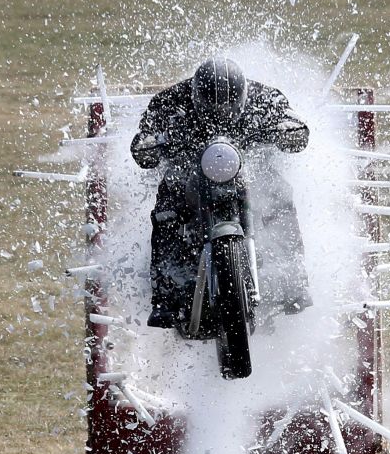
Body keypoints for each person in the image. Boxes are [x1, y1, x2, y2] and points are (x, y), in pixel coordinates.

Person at [130, 56, 312, 328]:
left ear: (242, 95)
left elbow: (290, 119)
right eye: (213, 105)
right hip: (189, 172)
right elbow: (146, 135)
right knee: (166, 209)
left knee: (280, 195)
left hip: (248, 170)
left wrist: (290, 130)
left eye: (229, 104)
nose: (221, 111)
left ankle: (294, 280)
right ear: (196, 95)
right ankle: (164, 296)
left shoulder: (263, 97)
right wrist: (148, 144)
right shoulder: (169, 102)